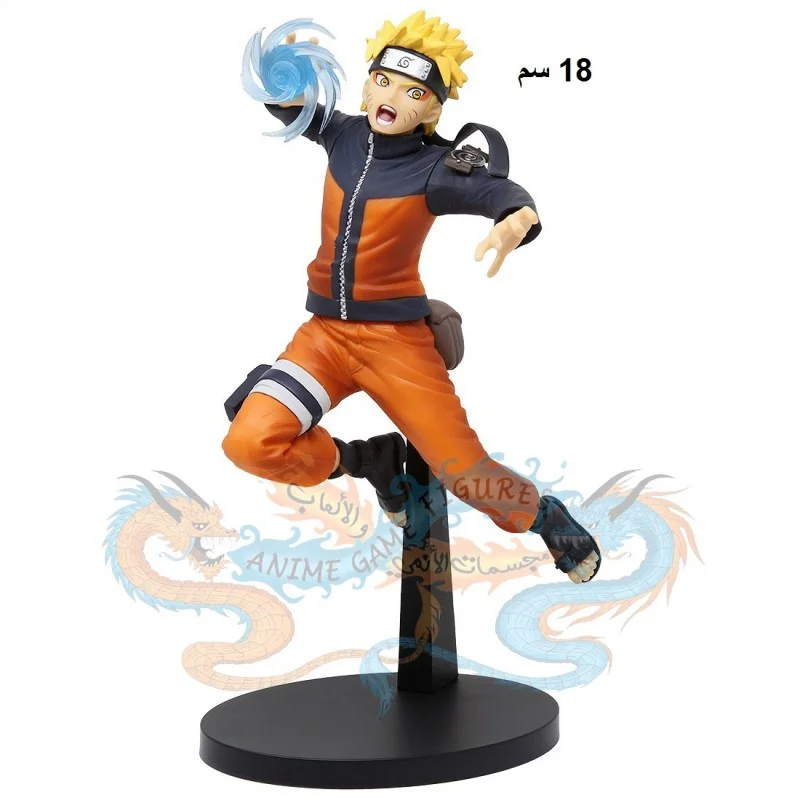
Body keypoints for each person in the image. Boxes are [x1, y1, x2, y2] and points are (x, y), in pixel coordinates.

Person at [223, 11, 601, 583]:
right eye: (382, 80)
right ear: (366, 85)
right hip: (323, 338)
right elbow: (290, 106)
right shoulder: (344, 135)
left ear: (433, 110)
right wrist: (281, 73)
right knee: (250, 442)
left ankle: (546, 516)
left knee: (464, 473)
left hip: (395, 344)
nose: (391, 96)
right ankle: (369, 460)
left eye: (413, 91)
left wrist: (516, 218)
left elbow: (500, 191)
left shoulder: (436, 168)